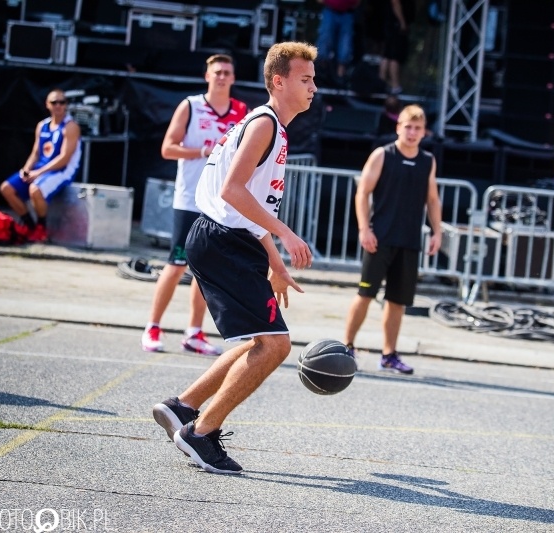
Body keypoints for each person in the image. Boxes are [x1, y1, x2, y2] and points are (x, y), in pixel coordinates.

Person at [152, 42, 317, 474]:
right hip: (223, 240)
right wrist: (286, 234)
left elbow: (251, 204)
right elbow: (232, 191)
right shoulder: (264, 124)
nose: (313, 87)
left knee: (258, 341)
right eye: (305, 79)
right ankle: (201, 433)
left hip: (226, 239)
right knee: (275, 345)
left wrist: (275, 261)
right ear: (278, 81)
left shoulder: (270, 126)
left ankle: (183, 406)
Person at [141, 54, 249, 356]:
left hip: (218, 203)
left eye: (227, 72)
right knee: (176, 264)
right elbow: (167, 148)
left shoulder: (242, 111)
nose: (222, 77)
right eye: (217, 72)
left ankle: (194, 332)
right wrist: (201, 151)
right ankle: (153, 326)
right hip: (189, 198)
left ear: (233, 78)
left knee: (205, 269)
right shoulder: (190, 105)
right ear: (207, 76)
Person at [343, 104, 442, 375]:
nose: (412, 132)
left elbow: (433, 199)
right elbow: (362, 192)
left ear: (424, 132)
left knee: (398, 301)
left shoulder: (428, 161)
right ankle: (347, 347)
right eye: (408, 127)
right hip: (380, 237)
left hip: (409, 240)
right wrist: (364, 229)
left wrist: (437, 232)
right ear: (398, 127)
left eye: (417, 128)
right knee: (365, 294)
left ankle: (389, 355)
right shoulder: (383, 155)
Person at [0, 88, 82, 243]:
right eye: (54, 102)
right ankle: (29, 225)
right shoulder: (42, 126)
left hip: (62, 171)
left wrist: (38, 173)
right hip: (41, 169)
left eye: (62, 102)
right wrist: (27, 169)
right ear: (47, 105)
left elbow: (64, 158)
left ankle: (41, 228)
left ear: (66, 105)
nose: (58, 106)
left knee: (35, 189)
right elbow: (36, 153)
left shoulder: (70, 127)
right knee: (7, 188)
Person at [315, 0, 361, 84]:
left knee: (345, 43)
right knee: (325, 39)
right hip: (330, 10)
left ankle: (340, 74)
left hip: (347, 12)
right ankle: (322, 71)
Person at [379, 0, 416, 94]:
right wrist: (402, 22)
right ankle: (394, 85)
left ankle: (383, 83)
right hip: (395, 25)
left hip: (392, 24)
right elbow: (395, 2)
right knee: (394, 56)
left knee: (388, 55)